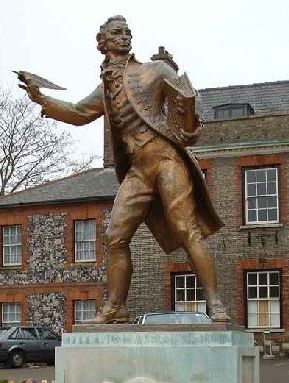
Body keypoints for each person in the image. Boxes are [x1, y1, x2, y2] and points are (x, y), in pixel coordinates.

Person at [22, 15, 229, 323]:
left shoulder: (155, 71)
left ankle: (215, 303)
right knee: (115, 237)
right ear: (102, 43)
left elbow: (187, 122)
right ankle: (116, 308)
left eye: (127, 32)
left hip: (166, 159)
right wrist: (42, 98)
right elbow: (78, 112)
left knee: (187, 231)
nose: (124, 37)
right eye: (117, 33)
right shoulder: (106, 88)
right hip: (138, 171)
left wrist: (188, 116)